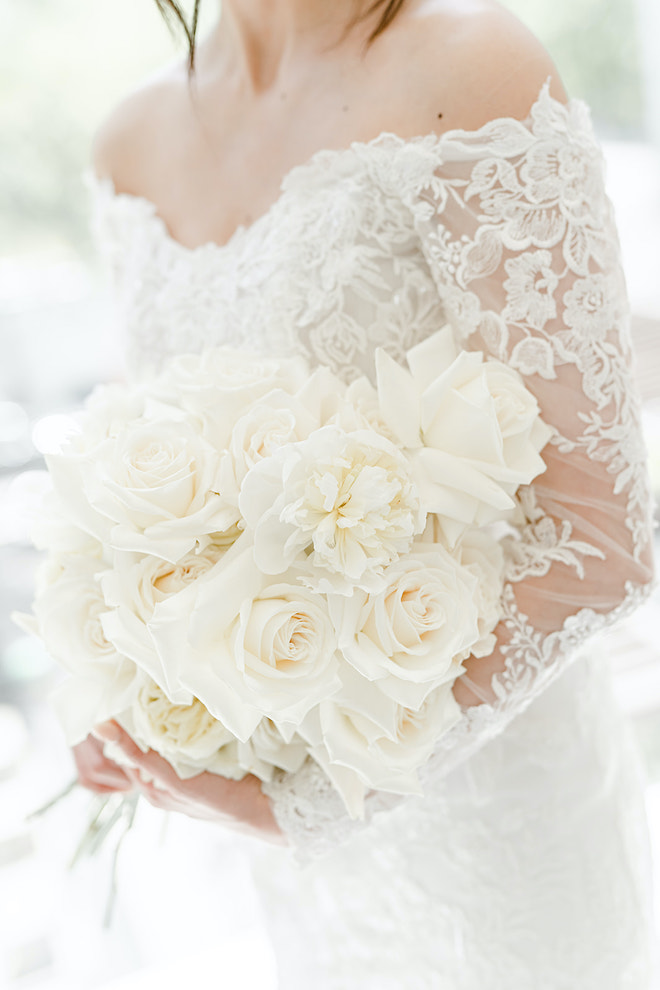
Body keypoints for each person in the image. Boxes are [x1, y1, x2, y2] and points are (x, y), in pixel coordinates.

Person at [72, 0, 658, 985]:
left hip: (499, 829)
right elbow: (161, 479)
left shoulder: (472, 69)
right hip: (299, 869)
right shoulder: (127, 141)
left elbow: (607, 531)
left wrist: (321, 797)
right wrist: (148, 680)